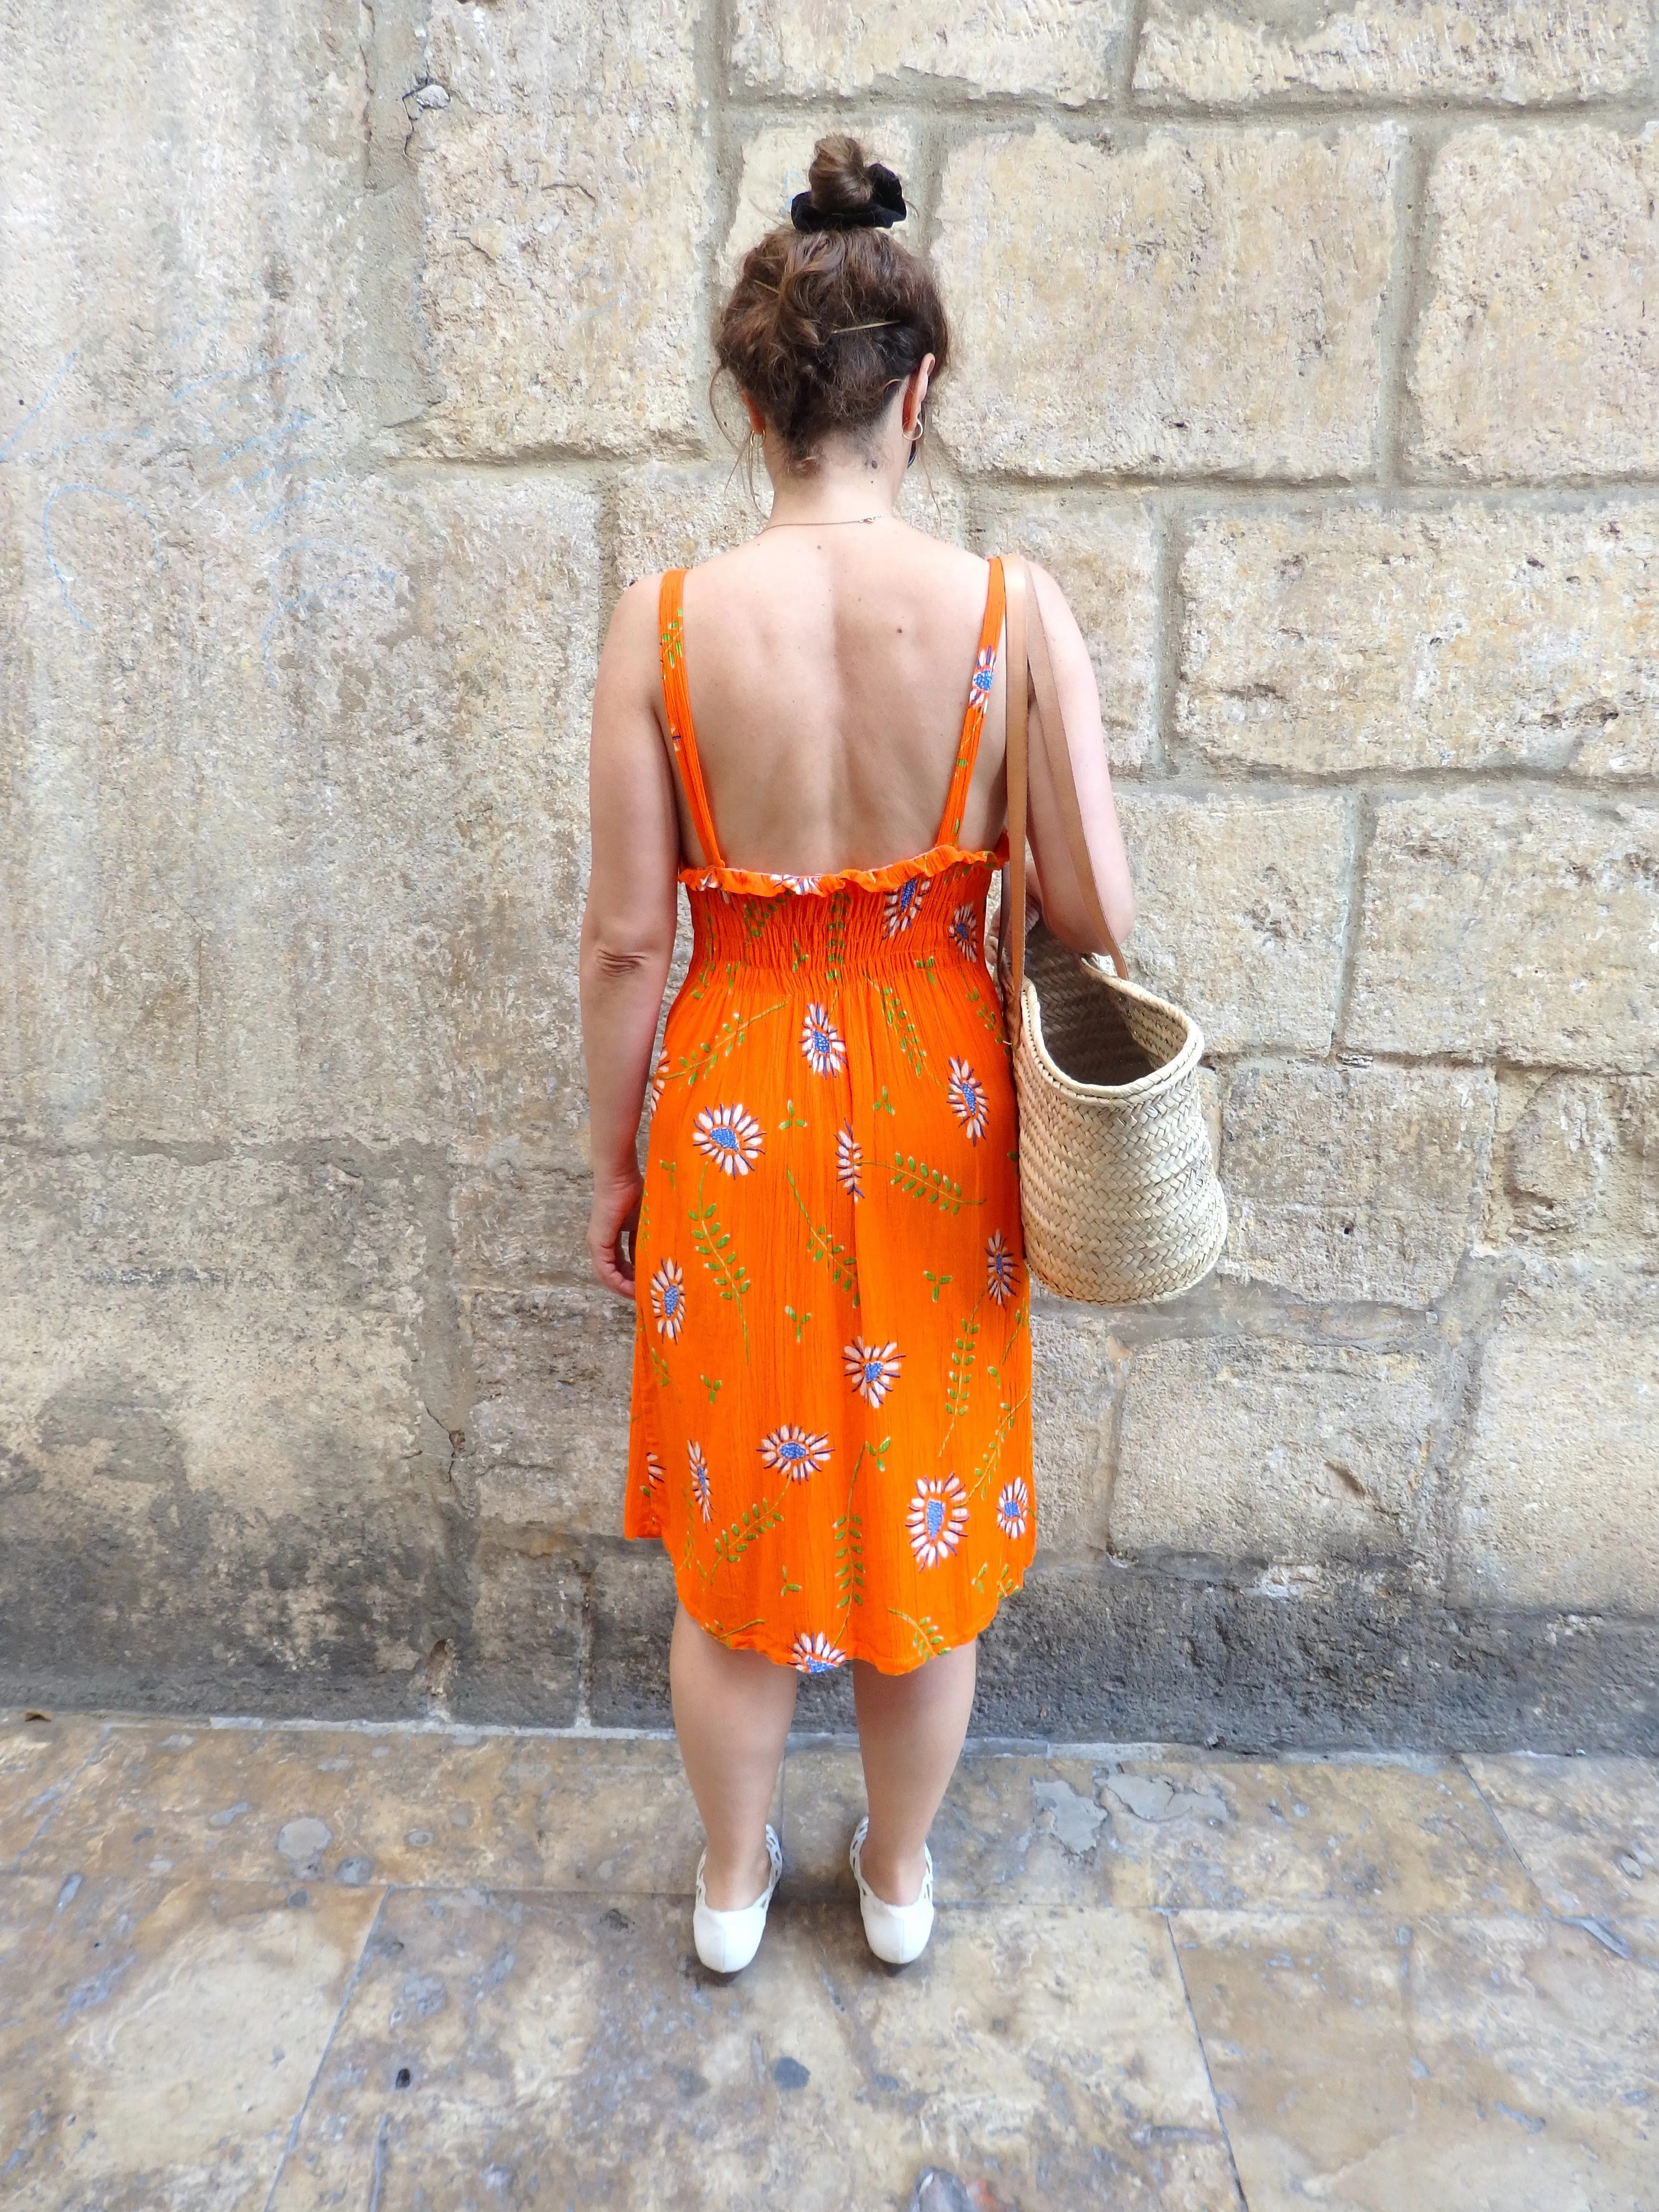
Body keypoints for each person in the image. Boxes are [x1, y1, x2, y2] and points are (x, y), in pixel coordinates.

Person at [580, 135, 1133, 1973]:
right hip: (937, 1103)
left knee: (737, 1551)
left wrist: (616, 1167)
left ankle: (733, 1889)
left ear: (752, 401)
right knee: (922, 1525)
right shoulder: (1008, 614)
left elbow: (625, 941)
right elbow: (1093, 910)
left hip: (732, 1086)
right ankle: (895, 1883)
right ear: (921, 392)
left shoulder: (660, 626)